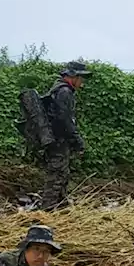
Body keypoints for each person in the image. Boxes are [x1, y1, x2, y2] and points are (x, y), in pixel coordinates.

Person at [39, 61, 92, 210]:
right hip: (58, 139)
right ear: (73, 76)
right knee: (56, 174)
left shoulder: (59, 89)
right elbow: (64, 120)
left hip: (56, 138)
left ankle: (61, 206)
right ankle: (47, 210)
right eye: (81, 78)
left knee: (62, 173)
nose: (82, 82)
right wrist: (77, 140)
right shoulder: (64, 92)